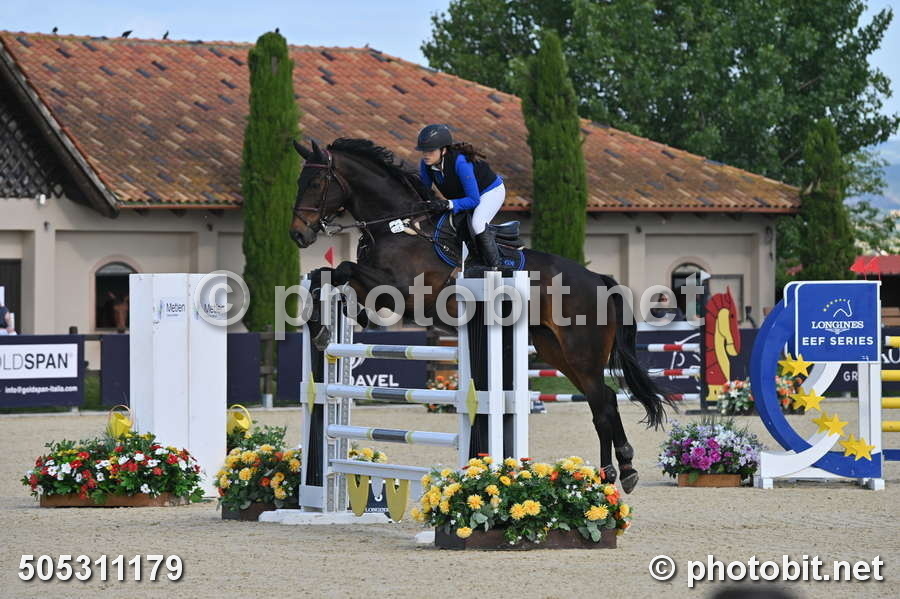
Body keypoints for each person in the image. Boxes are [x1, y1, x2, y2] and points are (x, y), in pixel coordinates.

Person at [416, 124, 505, 269]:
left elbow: (474, 200)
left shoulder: (460, 162)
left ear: (443, 150)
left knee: (477, 223)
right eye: (423, 151)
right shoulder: (426, 164)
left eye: (430, 151)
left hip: (490, 192)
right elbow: (423, 191)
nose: (426, 154)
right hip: (465, 197)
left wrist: (448, 204)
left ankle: (495, 266)